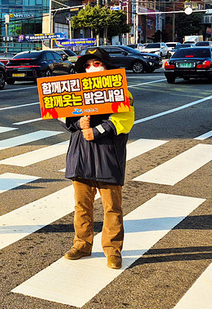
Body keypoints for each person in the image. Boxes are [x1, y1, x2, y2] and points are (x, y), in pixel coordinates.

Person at [62, 47, 135, 270]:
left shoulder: (122, 90)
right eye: (87, 65)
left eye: (96, 63)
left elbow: (125, 119)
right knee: (81, 205)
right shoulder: (75, 90)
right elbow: (63, 115)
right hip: (81, 155)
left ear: (106, 66)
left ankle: (113, 250)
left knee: (112, 206)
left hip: (107, 154)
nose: (92, 68)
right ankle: (82, 244)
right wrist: (77, 123)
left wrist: (98, 130)